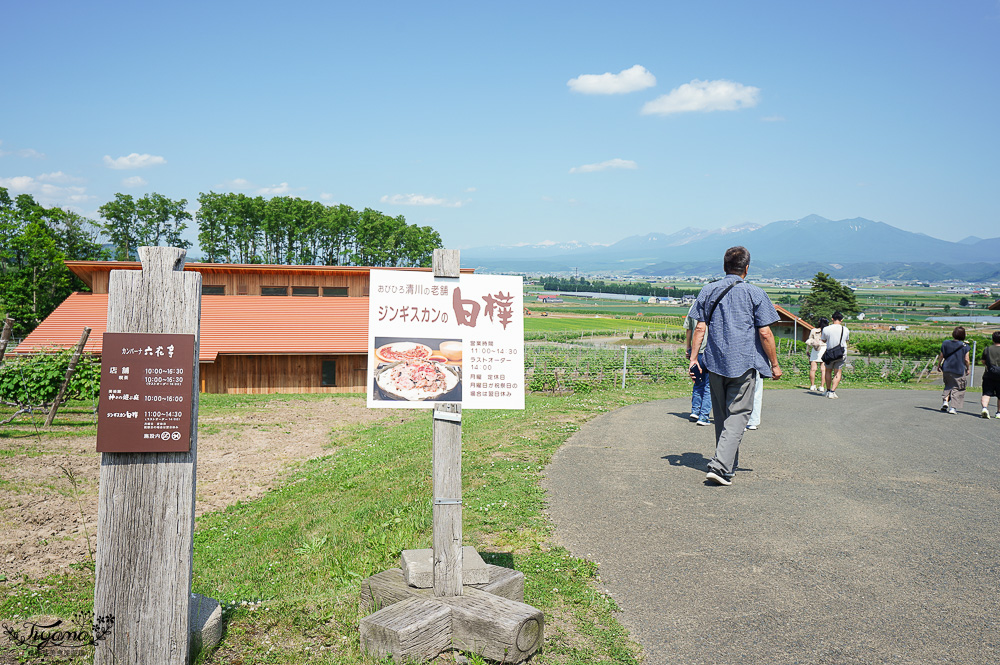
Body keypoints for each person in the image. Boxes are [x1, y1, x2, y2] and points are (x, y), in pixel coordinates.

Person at [688, 246, 782, 486]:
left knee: (721, 416)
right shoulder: (756, 293)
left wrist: (693, 359)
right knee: (739, 414)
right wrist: (774, 364)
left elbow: (699, 328)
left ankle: (727, 464)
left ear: (724, 266)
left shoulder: (708, 290)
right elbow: (765, 332)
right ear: (747, 268)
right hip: (744, 363)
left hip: (715, 363)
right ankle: (720, 467)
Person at [684, 302, 712, 426]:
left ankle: (695, 410)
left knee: (698, 381)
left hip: (697, 351)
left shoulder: (693, 307)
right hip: (711, 352)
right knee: (709, 386)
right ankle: (704, 416)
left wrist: (688, 347)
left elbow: (689, 330)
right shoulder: (715, 306)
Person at [936, 326, 970, 414]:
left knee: (948, 385)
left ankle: (945, 402)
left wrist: (939, 364)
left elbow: (941, 355)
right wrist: (968, 368)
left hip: (947, 368)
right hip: (958, 369)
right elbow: (966, 359)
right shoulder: (965, 346)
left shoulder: (945, 343)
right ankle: (953, 408)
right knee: (958, 388)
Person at [821, 312, 850, 399]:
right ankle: (833, 391)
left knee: (828, 371)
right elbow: (847, 340)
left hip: (830, 353)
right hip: (841, 354)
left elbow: (823, 340)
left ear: (832, 319)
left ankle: (828, 390)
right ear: (842, 320)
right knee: (838, 372)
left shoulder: (826, 329)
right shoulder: (845, 329)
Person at [805, 317, 829, 393]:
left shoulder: (814, 330)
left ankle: (812, 385)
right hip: (824, 348)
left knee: (813, 369)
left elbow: (809, 340)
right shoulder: (827, 331)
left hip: (815, 349)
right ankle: (822, 386)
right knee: (823, 369)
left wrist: (807, 350)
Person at [979, 331, 1000, 418]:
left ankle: (984, 408)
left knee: (986, 393)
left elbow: (983, 361)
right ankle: (998, 413)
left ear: (993, 339)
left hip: (989, 374)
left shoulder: (987, 349)